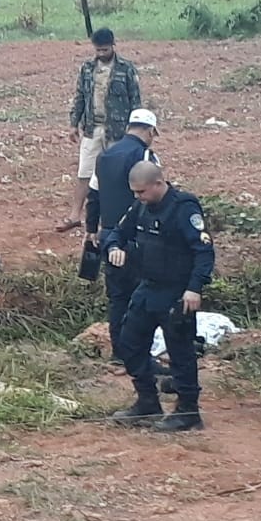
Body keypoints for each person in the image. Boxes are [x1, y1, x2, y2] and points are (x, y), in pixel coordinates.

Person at [103, 161, 215, 432]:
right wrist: (114, 247)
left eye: (141, 191)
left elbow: (204, 252)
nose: (137, 196)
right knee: (128, 343)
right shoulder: (140, 207)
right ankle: (147, 402)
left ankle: (188, 411)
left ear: (158, 183)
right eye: (135, 192)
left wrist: (195, 288)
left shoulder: (183, 208)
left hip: (177, 292)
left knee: (181, 352)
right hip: (148, 288)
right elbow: (117, 232)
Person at [85, 108, 161, 363]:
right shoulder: (145, 155)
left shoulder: (104, 156)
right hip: (138, 238)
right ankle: (140, 355)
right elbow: (154, 197)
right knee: (143, 296)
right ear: (150, 131)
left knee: (117, 298)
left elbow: (93, 195)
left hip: (108, 235)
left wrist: (90, 229)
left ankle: (119, 354)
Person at [56, 28, 141, 234]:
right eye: (98, 50)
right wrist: (73, 124)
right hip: (93, 129)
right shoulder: (87, 68)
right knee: (85, 172)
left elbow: (135, 101)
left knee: (118, 175)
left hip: (118, 131)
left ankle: (120, 217)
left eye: (104, 50)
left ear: (113, 45)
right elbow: (80, 97)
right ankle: (75, 215)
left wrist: (135, 130)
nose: (101, 53)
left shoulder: (126, 69)